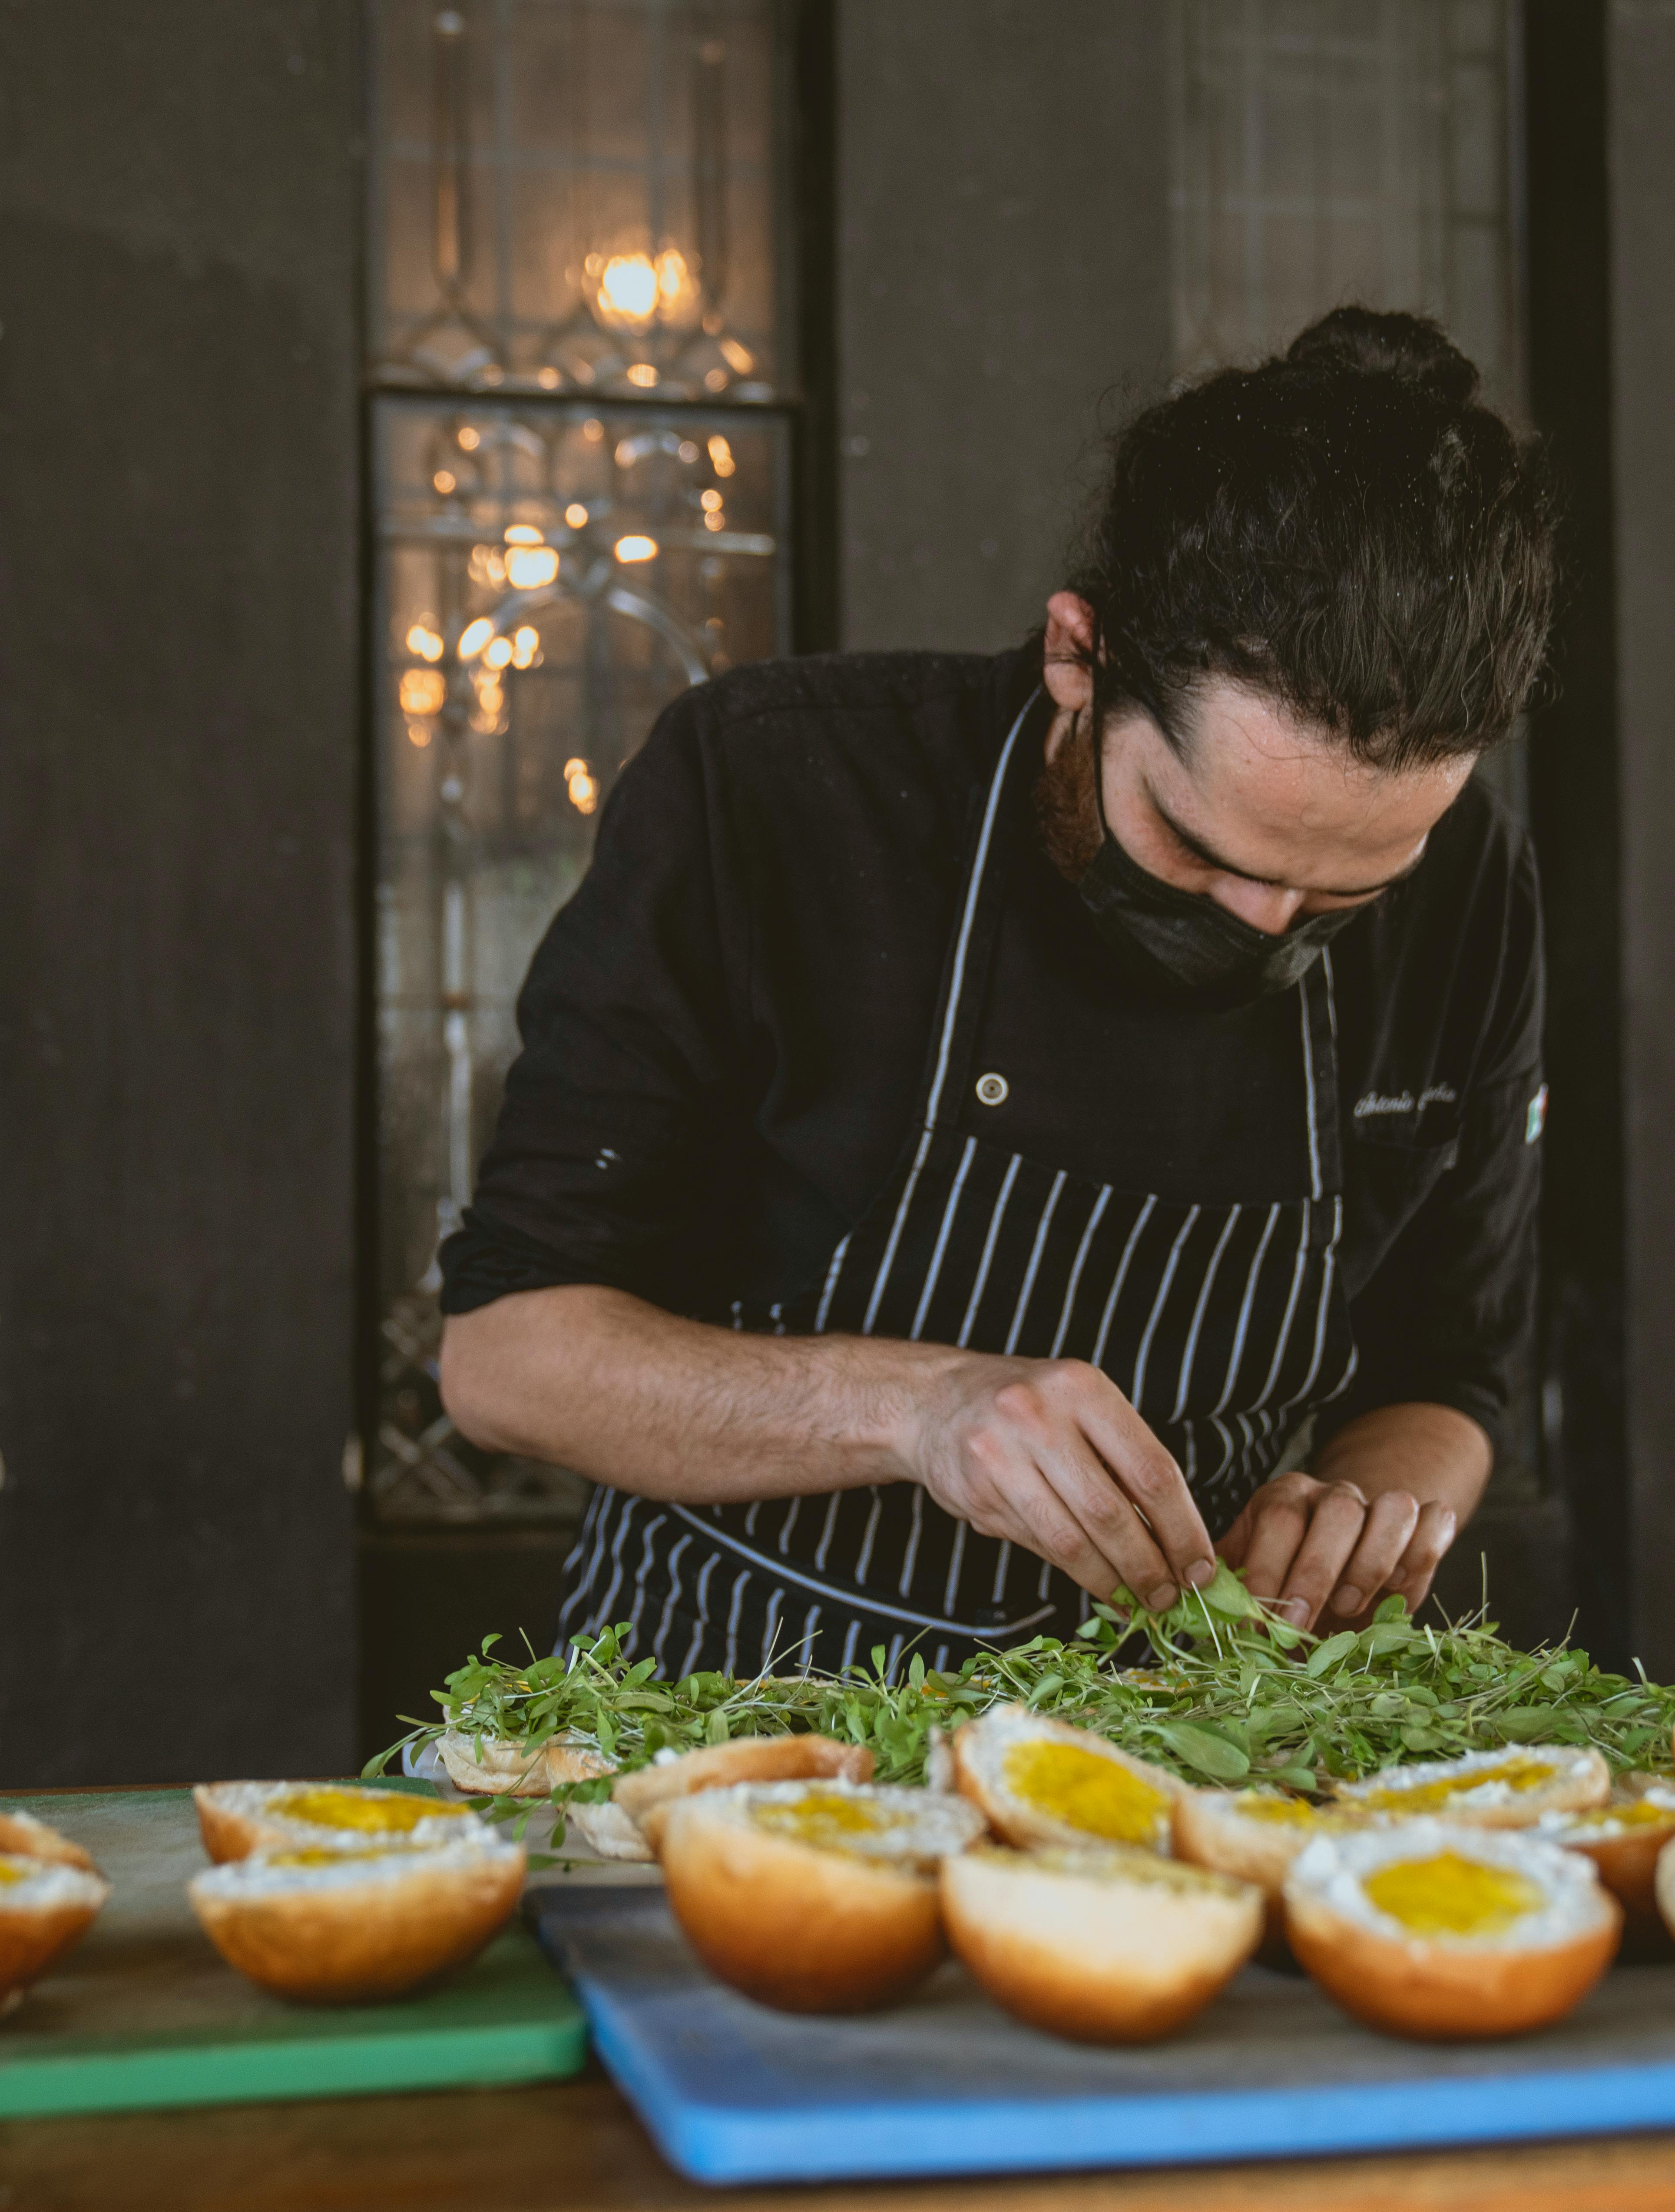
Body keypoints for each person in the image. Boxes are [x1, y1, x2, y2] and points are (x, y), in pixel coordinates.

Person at [436, 306, 1556, 1678]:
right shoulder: (774, 794)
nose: (1268, 930)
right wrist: (917, 1410)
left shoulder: (1478, 888)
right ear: (1079, 656)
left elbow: (1450, 1377)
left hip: (1183, 1762)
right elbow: (502, 1357)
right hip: (734, 1730)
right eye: (1199, 851)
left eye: (1347, 895)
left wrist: (1371, 1514)